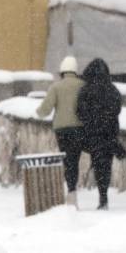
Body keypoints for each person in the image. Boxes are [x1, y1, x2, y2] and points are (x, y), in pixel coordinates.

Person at [76, 58, 125, 210]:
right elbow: (117, 108)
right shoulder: (112, 90)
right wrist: (107, 118)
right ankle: (104, 196)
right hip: (109, 133)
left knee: (98, 163)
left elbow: (80, 112)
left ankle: (102, 196)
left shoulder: (86, 90)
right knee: (106, 165)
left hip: (93, 133)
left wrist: (92, 120)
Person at [36, 56, 85, 207]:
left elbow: (44, 110)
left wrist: (39, 111)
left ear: (62, 71)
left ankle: (70, 193)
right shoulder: (83, 86)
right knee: (74, 160)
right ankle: (72, 193)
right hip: (79, 128)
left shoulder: (56, 87)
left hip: (62, 130)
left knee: (67, 160)